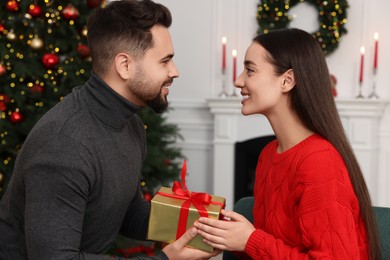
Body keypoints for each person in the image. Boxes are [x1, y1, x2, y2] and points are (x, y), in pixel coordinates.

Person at [0, 1, 219, 259]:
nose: (175, 72)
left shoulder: (131, 123)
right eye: (165, 61)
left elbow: (127, 210)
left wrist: (203, 225)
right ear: (124, 65)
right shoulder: (64, 145)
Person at [195, 28, 381, 259]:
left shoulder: (319, 161)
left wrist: (250, 240)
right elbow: (267, 246)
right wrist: (229, 239)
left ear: (287, 80)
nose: (238, 80)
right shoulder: (269, 154)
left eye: (250, 70)